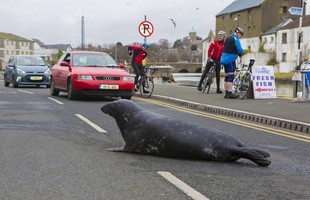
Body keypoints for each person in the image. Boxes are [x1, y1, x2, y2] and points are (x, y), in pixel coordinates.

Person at [220, 27, 244, 99]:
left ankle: (226, 92)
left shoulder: (228, 38)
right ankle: (230, 93)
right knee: (231, 75)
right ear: (238, 33)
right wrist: (242, 53)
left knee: (226, 76)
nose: (240, 37)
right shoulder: (235, 39)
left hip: (224, 59)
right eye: (240, 35)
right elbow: (240, 50)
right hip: (230, 59)